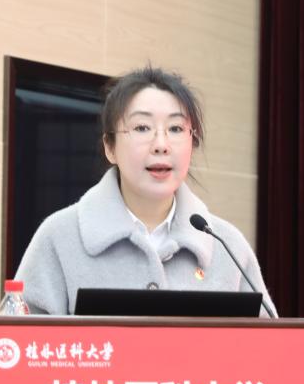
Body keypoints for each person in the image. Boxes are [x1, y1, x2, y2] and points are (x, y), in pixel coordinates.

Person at [14, 65, 276, 316]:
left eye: (175, 128)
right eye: (142, 128)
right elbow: (21, 339)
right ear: (110, 147)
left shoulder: (227, 245)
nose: (161, 144)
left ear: (192, 143)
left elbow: (269, 341)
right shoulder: (59, 237)